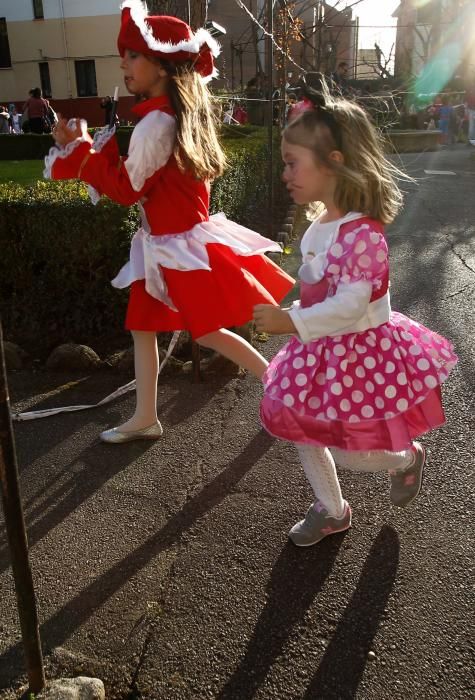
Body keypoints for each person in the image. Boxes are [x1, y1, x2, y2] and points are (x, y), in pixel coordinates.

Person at [44, 0, 294, 444]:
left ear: (162, 64)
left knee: (209, 330)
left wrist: (80, 149)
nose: (124, 63)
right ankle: (145, 416)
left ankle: (282, 389)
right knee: (145, 327)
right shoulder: (171, 118)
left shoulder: (156, 124)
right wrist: (85, 151)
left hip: (175, 247)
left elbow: (125, 189)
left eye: (134, 54)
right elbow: (138, 181)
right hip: (164, 244)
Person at [253, 79, 457, 547]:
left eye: (292, 163)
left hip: (361, 351)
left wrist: (291, 320)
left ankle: (405, 458)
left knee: (350, 452)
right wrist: (296, 310)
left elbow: (350, 305)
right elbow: (321, 291)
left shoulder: (363, 234)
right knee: (303, 428)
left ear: (334, 163)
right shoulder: (318, 224)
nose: (285, 173)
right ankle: (331, 509)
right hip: (320, 348)